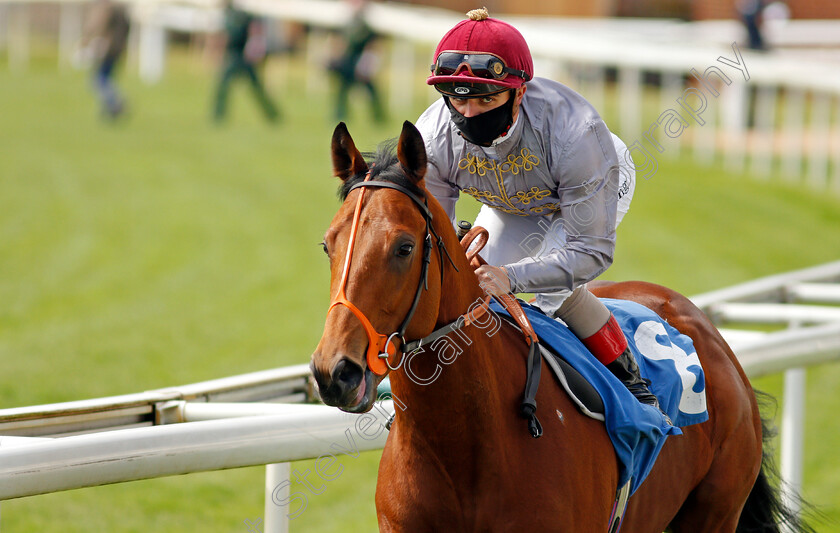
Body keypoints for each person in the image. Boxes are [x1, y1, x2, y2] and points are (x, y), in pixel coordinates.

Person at [416, 8, 664, 415]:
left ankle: (632, 386)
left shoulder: (576, 134)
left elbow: (592, 252)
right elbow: (437, 240)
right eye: (457, 99)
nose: (469, 113)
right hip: (511, 204)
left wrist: (510, 276)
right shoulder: (435, 137)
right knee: (467, 291)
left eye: (486, 98)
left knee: (549, 291)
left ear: (520, 92)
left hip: (589, 187)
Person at [213, 0, 279, 123]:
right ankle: (218, 115)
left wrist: (254, 49)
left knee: (253, 87)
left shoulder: (238, 16)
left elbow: (247, 32)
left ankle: (273, 115)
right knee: (228, 86)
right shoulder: (230, 15)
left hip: (240, 56)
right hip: (235, 56)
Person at [327, 0, 385, 123]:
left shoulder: (363, 27)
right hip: (348, 63)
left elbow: (371, 45)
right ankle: (340, 114)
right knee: (343, 90)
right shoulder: (350, 25)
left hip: (359, 62)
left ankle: (378, 115)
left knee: (367, 90)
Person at [81, 0, 130, 120]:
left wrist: (87, 38)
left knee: (99, 80)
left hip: (108, 48)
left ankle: (116, 103)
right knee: (104, 78)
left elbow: (98, 24)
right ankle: (110, 107)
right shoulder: (119, 8)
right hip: (117, 48)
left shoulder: (106, 7)